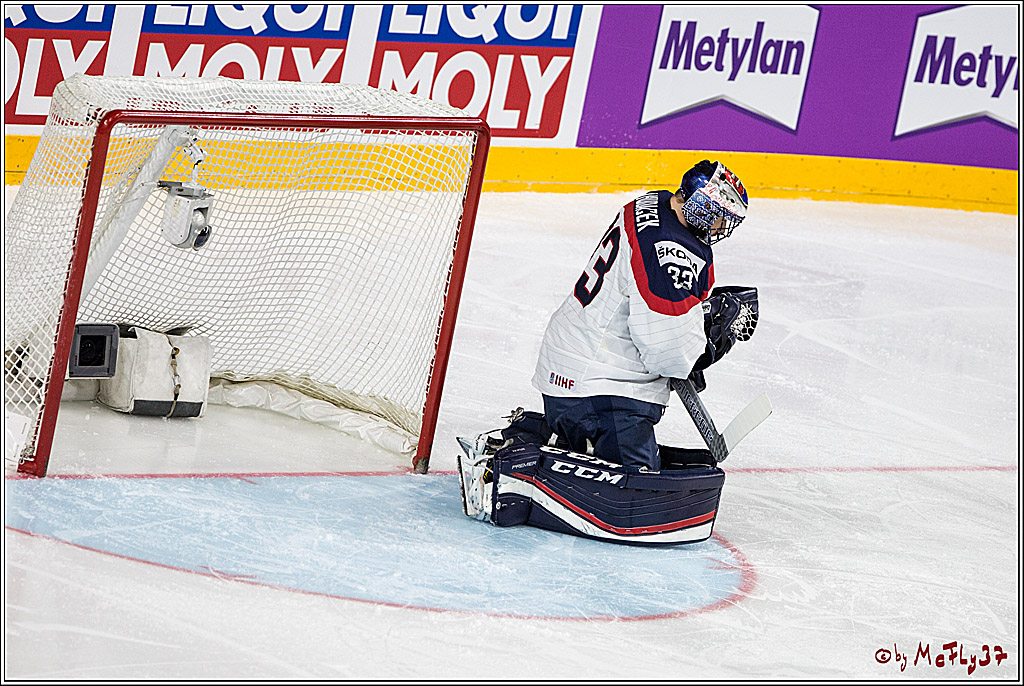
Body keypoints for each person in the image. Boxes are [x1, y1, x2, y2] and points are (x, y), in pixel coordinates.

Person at [529, 159, 750, 471]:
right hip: (602, 391)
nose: (718, 228)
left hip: (574, 361)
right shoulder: (671, 250)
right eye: (717, 218)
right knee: (641, 492)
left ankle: (551, 435)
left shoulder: (656, 202)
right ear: (700, 208)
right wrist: (707, 348)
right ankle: (545, 438)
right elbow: (667, 350)